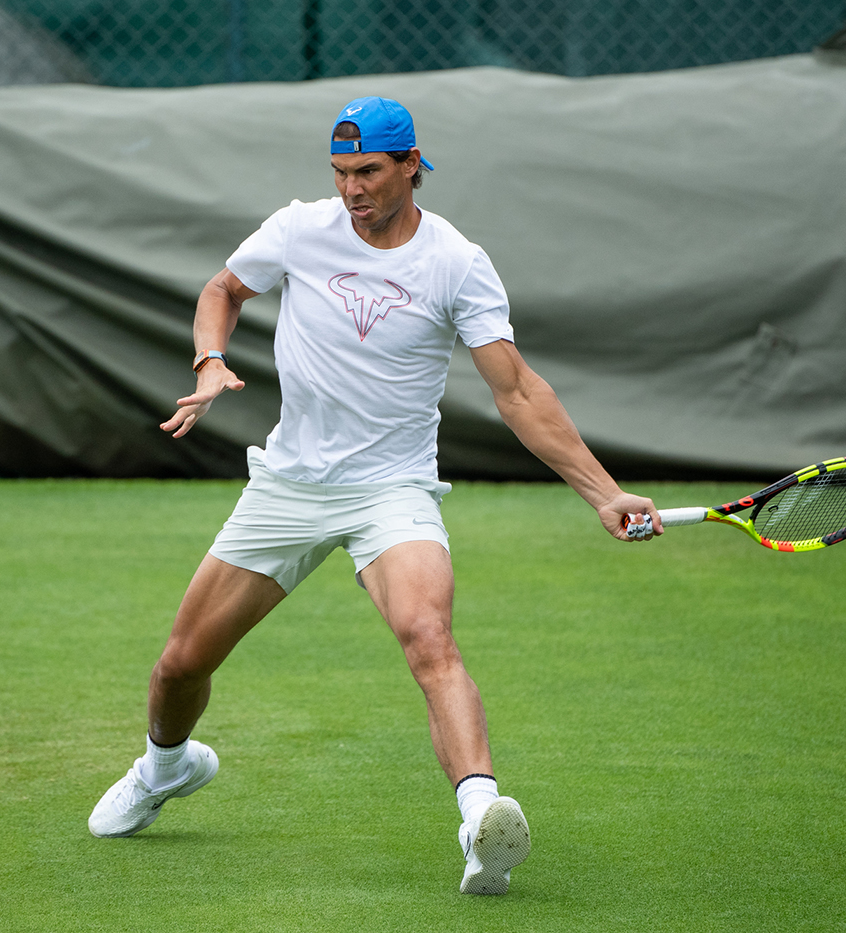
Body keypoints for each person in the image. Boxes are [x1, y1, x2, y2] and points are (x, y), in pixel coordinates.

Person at [87, 96, 662, 895]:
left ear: (411, 165)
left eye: (368, 172)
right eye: (340, 172)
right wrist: (210, 359)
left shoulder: (456, 261)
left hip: (393, 489)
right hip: (290, 483)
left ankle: (481, 821)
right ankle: (165, 766)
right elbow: (223, 289)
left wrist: (602, 492)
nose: (352, 189)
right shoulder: (299, 228)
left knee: (429, 636)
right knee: (182, 663)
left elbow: (519, 391)